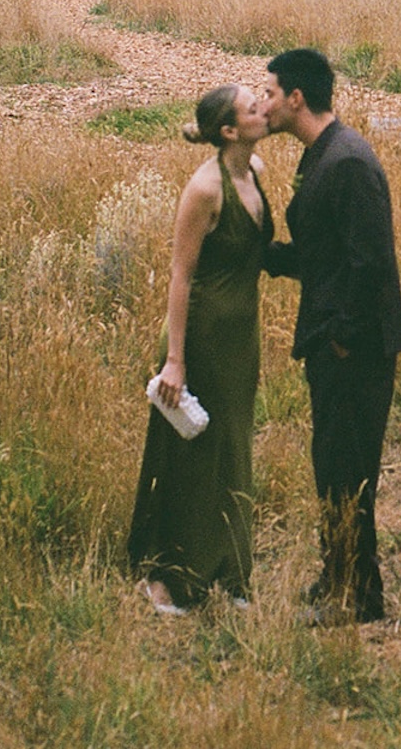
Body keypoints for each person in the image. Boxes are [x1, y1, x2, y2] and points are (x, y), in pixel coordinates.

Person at [260, 48, 401, 626]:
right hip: (338, 343)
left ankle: (358, 598)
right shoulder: (325, 154)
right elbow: (325, 257)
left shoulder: (345, 160)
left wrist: (341, 340)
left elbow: (369, 262)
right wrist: (265, 256)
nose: (263, 104)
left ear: (296, 98)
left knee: (348, 471)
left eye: (269, 93)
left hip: (356, 350)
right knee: (335, 467)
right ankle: (339, 577)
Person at [127, 83, 272, 616]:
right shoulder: (205, 189)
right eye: (254, 108)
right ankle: (171, 579)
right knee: (193, 455)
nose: (265, 110)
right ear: (230, 130)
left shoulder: (254, 171)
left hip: (241, 336)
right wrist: (175, 361)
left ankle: (231, 575)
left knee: (234, 447)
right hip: (203, 337)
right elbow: (180, 277)